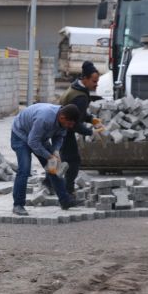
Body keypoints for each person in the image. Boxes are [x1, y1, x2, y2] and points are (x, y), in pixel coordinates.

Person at [11, 103, 81, 216]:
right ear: (62, 117)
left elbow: (59, 137)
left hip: (38, 137)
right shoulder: (45, 118)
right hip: (20, 135)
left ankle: (65, 201)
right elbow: (32, 142)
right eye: (68, 123)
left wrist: (56, 151)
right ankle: (18, 205)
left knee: (54, 168)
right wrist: (49, 156)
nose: (69, 126)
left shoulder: (64, 121)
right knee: (24, 169)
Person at [56, 61, 102, 195]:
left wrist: (91, 119)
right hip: (64, 130)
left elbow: (78, 114)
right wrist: (91, 132)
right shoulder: (80, 97)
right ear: (85, 79)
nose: (96, 84)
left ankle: (50, 184)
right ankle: (67, 191)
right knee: (73, 161)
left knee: (62, 159)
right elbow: (74, 124)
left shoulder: (76, 87)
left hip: (61, 127)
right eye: (94, 81)